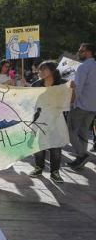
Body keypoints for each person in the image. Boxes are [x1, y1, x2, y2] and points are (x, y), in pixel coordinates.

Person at [29, 61, 66, 183]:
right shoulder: (36, 85)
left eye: (44, 69)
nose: (40, 72)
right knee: (39, 146)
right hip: (40, 119)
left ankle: (55, 172)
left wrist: (73, 90)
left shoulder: (62, 84)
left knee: (56, 147)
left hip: (56, 120)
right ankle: (38, 167)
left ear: (53, 71)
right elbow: (29, 102)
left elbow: (70, 101)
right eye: (40, 69)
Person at [67, 43, 96, 171]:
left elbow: (78, 88)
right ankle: (80, 158)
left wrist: (71, 103)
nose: (79, 52)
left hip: (81, 105)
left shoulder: (83, 67)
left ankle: (83, 155)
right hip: (93, 107)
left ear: (89, 52)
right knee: (83, 133)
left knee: (68, 130)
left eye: (81, 50)